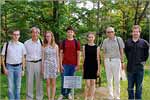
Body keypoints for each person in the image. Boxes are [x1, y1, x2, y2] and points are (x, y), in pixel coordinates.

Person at [125, 25, 149, 100]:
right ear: (132, 33)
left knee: (139, 87)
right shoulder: (128, 42)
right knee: (130, 88)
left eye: (137, 32)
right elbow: (126, 52)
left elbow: (146, 53)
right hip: (130, 68)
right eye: (134, 32)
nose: (135, 33)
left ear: (139, 33)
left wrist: (144, 61)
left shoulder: (144, 42)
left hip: (139, 69)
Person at [1, 29, 26, 100]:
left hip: (19, 67)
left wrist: (23, 69)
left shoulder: (22, 45)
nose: (16, 36)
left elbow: (23, 58)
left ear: (19, 36)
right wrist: (4, 68)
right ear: (12, 35)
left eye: (17, 34)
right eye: (14, 34)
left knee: (18, 87)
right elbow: (2, 56)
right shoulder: (7, 44)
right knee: (10, 87)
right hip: (9, 67)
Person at [58, 26, 80, 100]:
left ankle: (69, 93)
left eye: (71, 32)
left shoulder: (76, 42)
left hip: (73, 64)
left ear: (73, 33)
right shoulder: (63, 42)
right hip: (65, 64)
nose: (70, 33)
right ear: (66, 33)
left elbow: (78, 54)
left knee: (71, 79)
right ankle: (62, 93)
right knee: (63, 79)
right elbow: (61, 53)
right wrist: (60, 64)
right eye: (68, 32)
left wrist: (78, 64)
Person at [102, 27, 124, 100]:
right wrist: (104, 62)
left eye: (111, 32)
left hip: (117, 60)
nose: (110, 33)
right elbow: (104, 52)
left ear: (114, 32)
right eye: (108, 32)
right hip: (108, 61)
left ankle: (117, 96)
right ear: (106, 33)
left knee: (117, 80)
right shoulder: (105, 41)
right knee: (109, 80)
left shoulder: (119, 39)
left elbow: (121, 51)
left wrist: (122, 62)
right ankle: (110, 96)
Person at [24, 27, 43, 100]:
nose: (35, 34)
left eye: (36, 32)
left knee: (39, 81)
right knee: (29, 81)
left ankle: (39, 97)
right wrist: (24, 66)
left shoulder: (41, 43)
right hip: (29, 63)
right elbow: (24, 55)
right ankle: (29, 97)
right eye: (33, 32)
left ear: (39, 34)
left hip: (39, 63)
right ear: (31, 33)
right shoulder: (26, 43)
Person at [41, 31, 59, 100]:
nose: (47, 37)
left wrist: (58, 68)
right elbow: (43, 58)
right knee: (48, 83)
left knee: (53, 83)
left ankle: (52, 98)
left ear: (52, 37)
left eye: (49, 36)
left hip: (54, 65)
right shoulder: (43, 46)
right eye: (46, 36)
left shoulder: (56, 46)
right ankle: (49, 98)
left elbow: (57, 57)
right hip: (46, 65)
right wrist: (42, 68)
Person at [82, 32, 100, 100]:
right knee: (87, 84)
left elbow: (98, 58)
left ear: (94, 38)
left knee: (93, 83)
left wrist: (98, 69)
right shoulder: (84, 47)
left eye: (92, 37)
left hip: (94, 66)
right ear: (87, 38)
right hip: (87, 66)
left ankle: (91, 97)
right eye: (89, 37)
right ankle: (85, 97)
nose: (90, 38)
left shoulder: (97, 47)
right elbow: (83, 58)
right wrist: (83, 68)